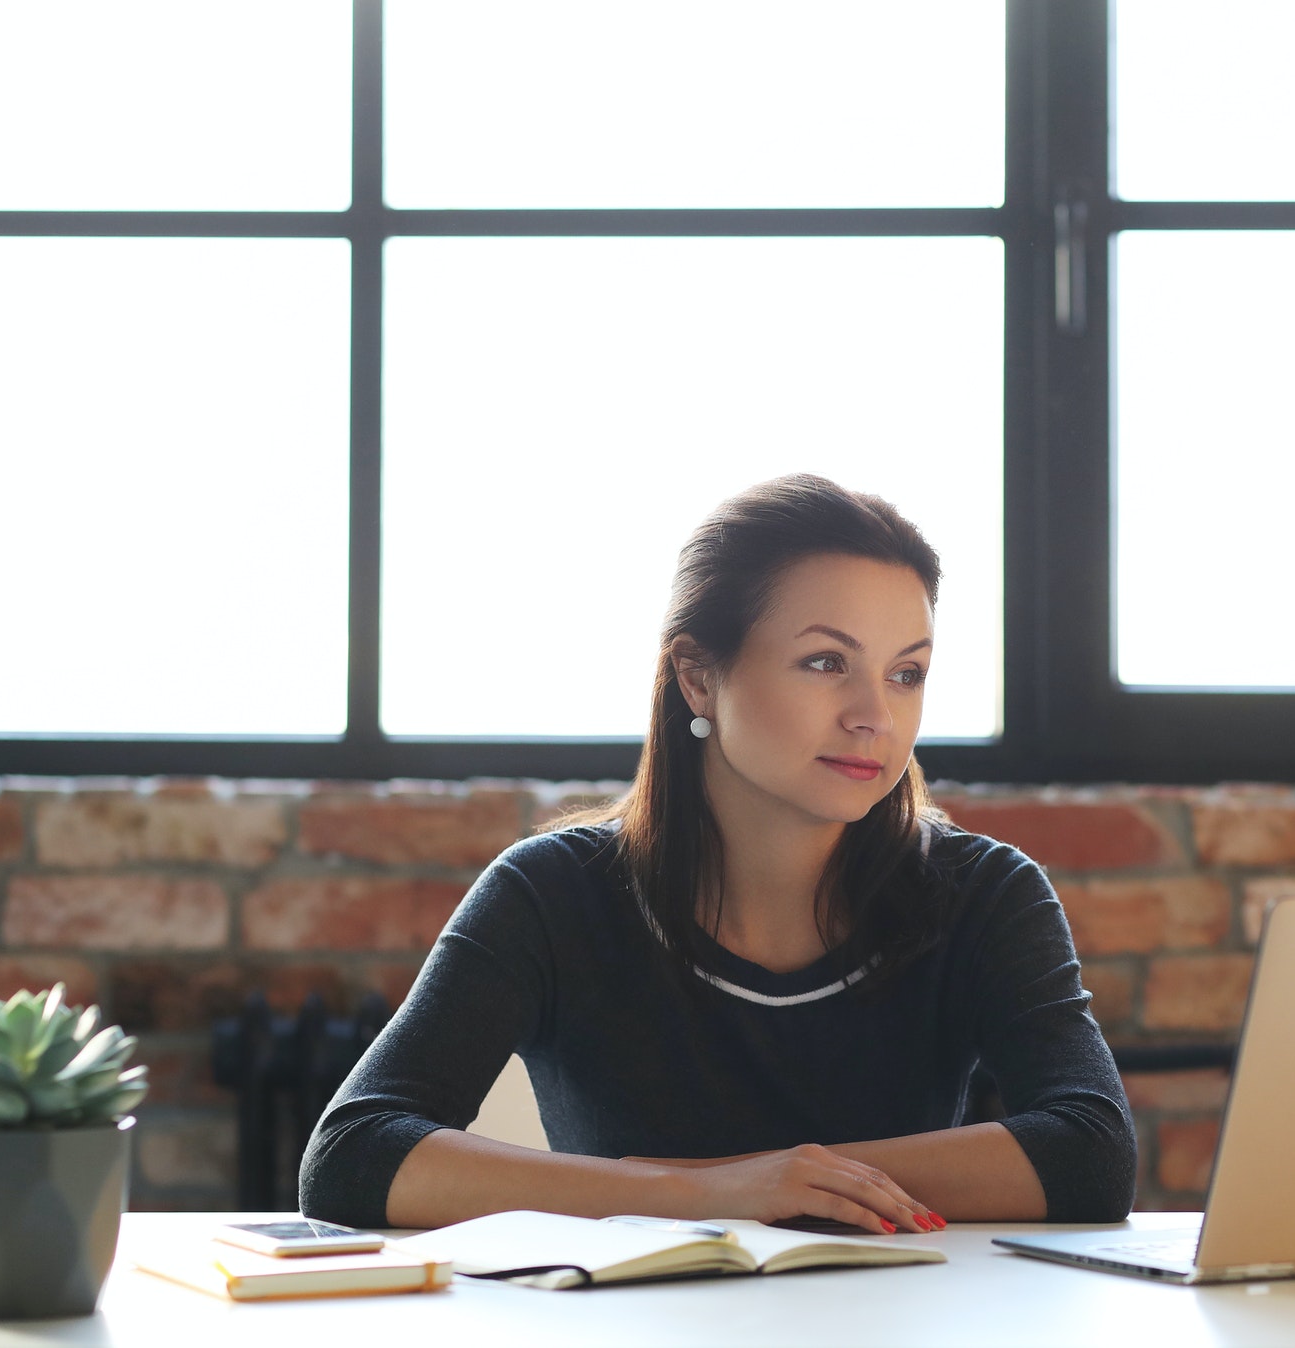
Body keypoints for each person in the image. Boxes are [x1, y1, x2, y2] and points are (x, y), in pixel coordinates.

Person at [300, 474, 1136, 1234]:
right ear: (698, 679)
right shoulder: (550, 894)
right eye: (825, 662)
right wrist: (708, 1193)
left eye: (906, 674)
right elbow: (355, 1155)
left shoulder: (986, 893)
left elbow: (1089, 1152)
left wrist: (780, 1182)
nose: (873, 715)